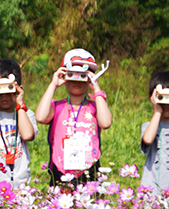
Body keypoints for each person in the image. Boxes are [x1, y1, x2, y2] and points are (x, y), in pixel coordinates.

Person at [35, 48, 113, 188]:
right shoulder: (57, 107)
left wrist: (96, 89)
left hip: (89, 168)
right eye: (72, 74)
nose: (77, 79)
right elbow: (40, 117)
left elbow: (106, 122)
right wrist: (53, 84)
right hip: (60, 168)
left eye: (83, 75)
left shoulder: (95, 107)